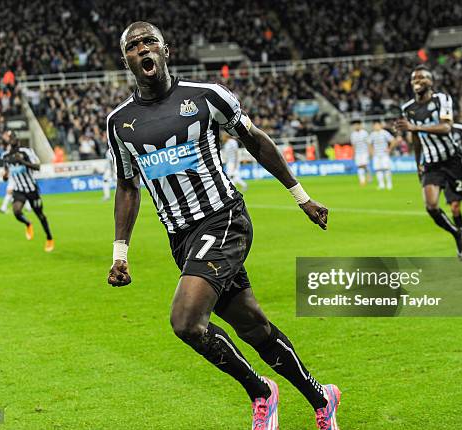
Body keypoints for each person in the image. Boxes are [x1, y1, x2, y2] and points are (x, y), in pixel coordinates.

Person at [106, 21, 340, 430]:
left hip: (224, 218)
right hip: (181, 237)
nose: (143, 50)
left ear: (166, 50)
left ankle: (261, 393)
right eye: (133, 46)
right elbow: (127, 185)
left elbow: (256, 140)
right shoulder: (119, 122)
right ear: (125, 58)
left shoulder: (206, 96)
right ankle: (322, 397)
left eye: (150, 43)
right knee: (254, 326)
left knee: (185, 321)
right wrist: (120, 253)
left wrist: (300, 196)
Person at [396, 65, 462, 272]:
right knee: (431, 206)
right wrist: (418, 163)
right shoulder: (408, 108)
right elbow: (415, 140)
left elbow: (446, 127)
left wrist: (415, 127)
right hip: (432, 164)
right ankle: (457, 234)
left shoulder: (441, 100)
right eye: (413, 78)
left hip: (453, 161)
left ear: (430, 81)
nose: (416, 81)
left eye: (421, 78)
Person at [1, 131, 54, 252]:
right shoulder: (6, 156)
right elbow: (6, 173)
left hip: (31, 189)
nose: (12, 140)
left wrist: (23, 162)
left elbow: (38, 167)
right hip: (19, 189)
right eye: (9, 138)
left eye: (13, 137)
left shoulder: (26, 152)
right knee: (16, 211)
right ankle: (28, 223)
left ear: (17, 140)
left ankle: (49, 238)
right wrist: (5, 176)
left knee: (40, 215)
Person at [368, 121, 396, 190]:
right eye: (375, 126)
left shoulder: (384, 133)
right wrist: (371, 152)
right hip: (376, 155)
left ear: (380, 126)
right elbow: (369, 143)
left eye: (377, 125)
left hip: (384, 154)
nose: (376, 127)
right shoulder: (372, 134)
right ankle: (381, 185)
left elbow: (393, 140)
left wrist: (389, 149)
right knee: (378, 170)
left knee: (386, 169)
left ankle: (389, 184)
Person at [350, 120, 371, 186]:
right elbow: (353, 145)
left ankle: (368, 174)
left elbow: (368, 143)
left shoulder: (364, 133)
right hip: (357, 153)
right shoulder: (353, 134)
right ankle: (362, 181)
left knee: (364, 165)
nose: (356, 126)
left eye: (357, 125)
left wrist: (370, 151)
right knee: (359, 166)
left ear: (360, 125)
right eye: (355, 125)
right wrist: (353, 154)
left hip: (364, 152)